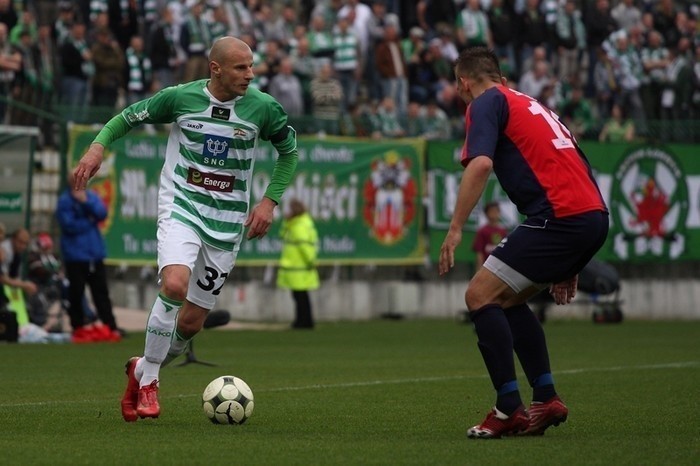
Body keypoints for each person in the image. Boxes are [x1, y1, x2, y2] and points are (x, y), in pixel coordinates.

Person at [72, 36, 298, 422]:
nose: (250, 74)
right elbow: (128, 116)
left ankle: (140, 367)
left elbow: (288, 150)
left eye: (251, 66)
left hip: (227, 223)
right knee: (174, 284)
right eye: (241, 67)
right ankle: (150, 382)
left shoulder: (262, 107)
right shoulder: (179, 99)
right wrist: (98, 146)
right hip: (182, 206)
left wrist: (269, 201)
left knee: (191, 322)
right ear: (216, 69)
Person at [439, 47, 608, 439]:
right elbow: (577, 163)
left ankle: (507, 408)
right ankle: (545, 397)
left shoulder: (486, 102)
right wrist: (572, 260)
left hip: (560, 217)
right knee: (507, 298)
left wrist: (455, 229)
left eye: (458, 84)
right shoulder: (533, 104)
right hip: (591, 215)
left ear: (465, 83)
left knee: (479, 296)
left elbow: (480, 164)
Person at [56, 172, 121, 344]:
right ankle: (78, 326)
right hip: (75, 255)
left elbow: (101, 213)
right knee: (76, 292)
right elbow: (69, 226)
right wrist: (90, 221)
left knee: (101, 292)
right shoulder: (65, 201)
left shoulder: (90, 197)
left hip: (94, 253)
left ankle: (110, 326)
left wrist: (85, 202)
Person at [277, 199, 320, 329]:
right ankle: (303, 321)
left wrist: (310, 261)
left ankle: (303, 322)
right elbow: (282, 234)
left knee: (300, 297)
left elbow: (304, 246)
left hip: (299, 267)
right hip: (298, 267)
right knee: (300, 296)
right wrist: (287, 222)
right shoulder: (297, 224)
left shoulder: (299, 226)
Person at [472, 202, 508, 270]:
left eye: (496, 211)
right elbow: (479, 253)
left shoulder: (503, 231)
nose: (494, 214)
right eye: (492, 211)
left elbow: (506, 251)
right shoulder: (482, 231)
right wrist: (479, 269)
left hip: (499, 268)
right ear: (486, 213)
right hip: (486, 267)